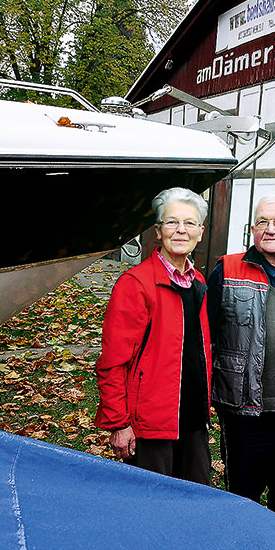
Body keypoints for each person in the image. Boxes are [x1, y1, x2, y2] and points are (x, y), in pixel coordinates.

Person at [207, 193, 275, 526]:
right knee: (243, 502)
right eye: (263, 222)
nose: (271, 229)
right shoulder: (226, 270)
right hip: (245, 414)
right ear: (252, 229)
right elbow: (205, 338)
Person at [95, 187, 212, 484]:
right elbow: (112, 360)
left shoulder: (197, 282)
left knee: (194, 504)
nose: (181, 230)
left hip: (192, 420)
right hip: (150, 425)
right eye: (171, 222)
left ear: (201, 231)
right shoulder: (136, 284)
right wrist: (119, 424)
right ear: (158, 231)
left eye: (189, 223)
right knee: (151, 509)